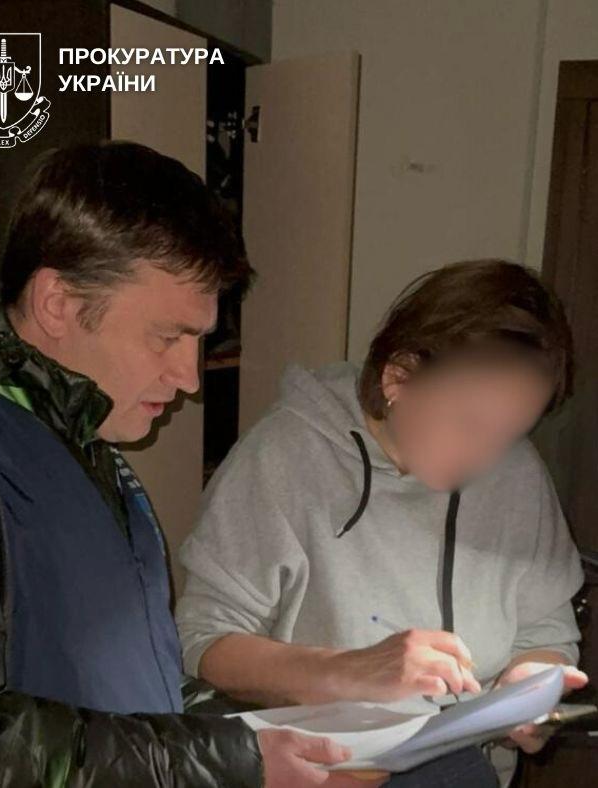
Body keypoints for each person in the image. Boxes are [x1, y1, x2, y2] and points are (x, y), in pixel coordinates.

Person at [0, 142, 382, 786]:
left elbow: (138, 686)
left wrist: (272, 738)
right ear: (58, 302)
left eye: (199, 340)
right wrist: (235, 761)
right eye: (167, 337)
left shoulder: (83, 435)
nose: (189, 378)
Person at [176, 259, 589, 786]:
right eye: (470, 424)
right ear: (398, 377)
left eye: (510, 435)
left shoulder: (518, 473)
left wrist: (529, 683)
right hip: (320, 768)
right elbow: (204, 641)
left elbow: (545, 628)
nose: (487, 459)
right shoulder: (286, 457)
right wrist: (344, 671)